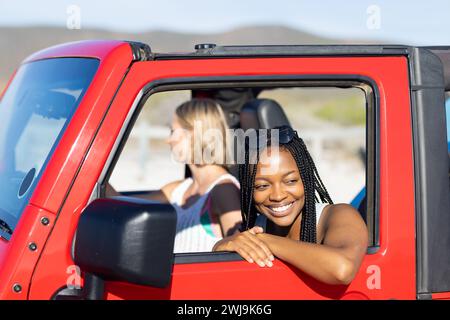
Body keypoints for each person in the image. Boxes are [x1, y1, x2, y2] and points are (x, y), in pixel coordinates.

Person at [213, 125, 368, 285]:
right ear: (249, 191)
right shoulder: (257, 225)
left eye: (291, 181)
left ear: (306, 179)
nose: (278, 196)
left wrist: (265, 241)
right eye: (262, 186)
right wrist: (221, 245)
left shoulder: (338, 215)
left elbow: (343, 269)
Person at [106, 98, 242, 253]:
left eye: (172, 131)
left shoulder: (224, 190)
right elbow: (119, 203)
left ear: (195, 134)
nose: (168, 140)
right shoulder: (178, 190)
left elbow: (240, 246)